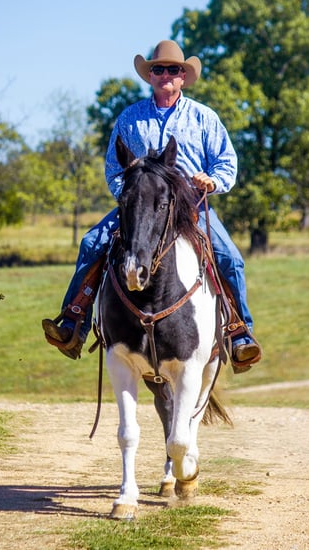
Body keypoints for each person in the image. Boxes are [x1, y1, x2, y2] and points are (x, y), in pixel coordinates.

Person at [42, 40, 261, 373]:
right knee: (91, 243)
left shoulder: (204, 118)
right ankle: (74, 322)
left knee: (229, 256)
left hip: (191, 206)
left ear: (184, 77)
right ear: (150, 76)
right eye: (158, 69)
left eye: (174, 70)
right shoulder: (130, 118)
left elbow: (226, 164)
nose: (165, 75)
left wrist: (212, 181)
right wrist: (130, 196)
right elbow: (114, 170)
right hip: (140, 209)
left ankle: (239, 332)